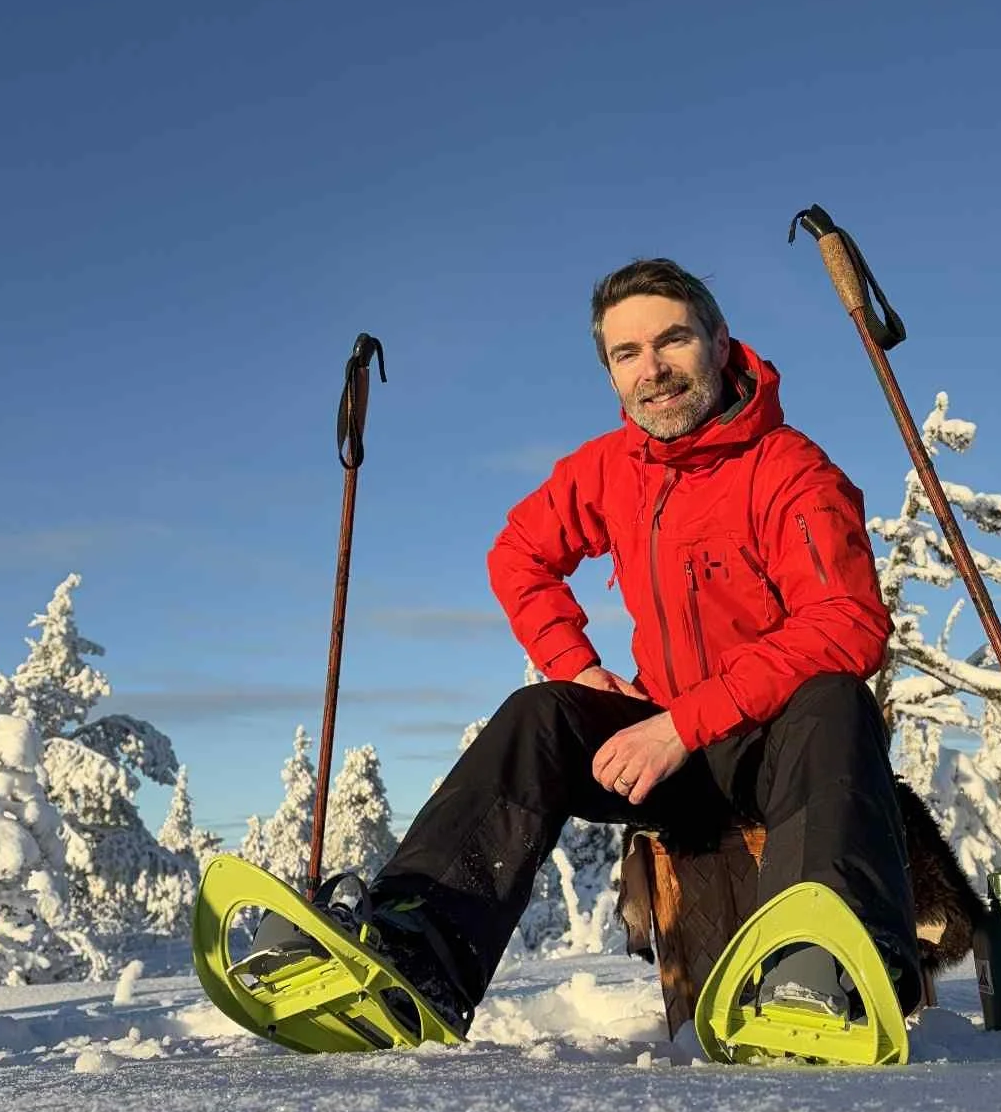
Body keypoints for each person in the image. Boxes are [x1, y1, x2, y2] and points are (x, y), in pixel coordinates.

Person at [358, 258, 922, 1039]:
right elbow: (518, 552)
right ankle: (409, 958)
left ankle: (820, 971)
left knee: (833, 698)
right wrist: (578, 666)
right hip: (674, 756)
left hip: (780, 750)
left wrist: (682, 724)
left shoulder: (790, 470)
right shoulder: (612, 467)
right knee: (540, 714)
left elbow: (845, 622)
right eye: (626, 354)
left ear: (721, 344)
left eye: (672, 340)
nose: (651, 369)